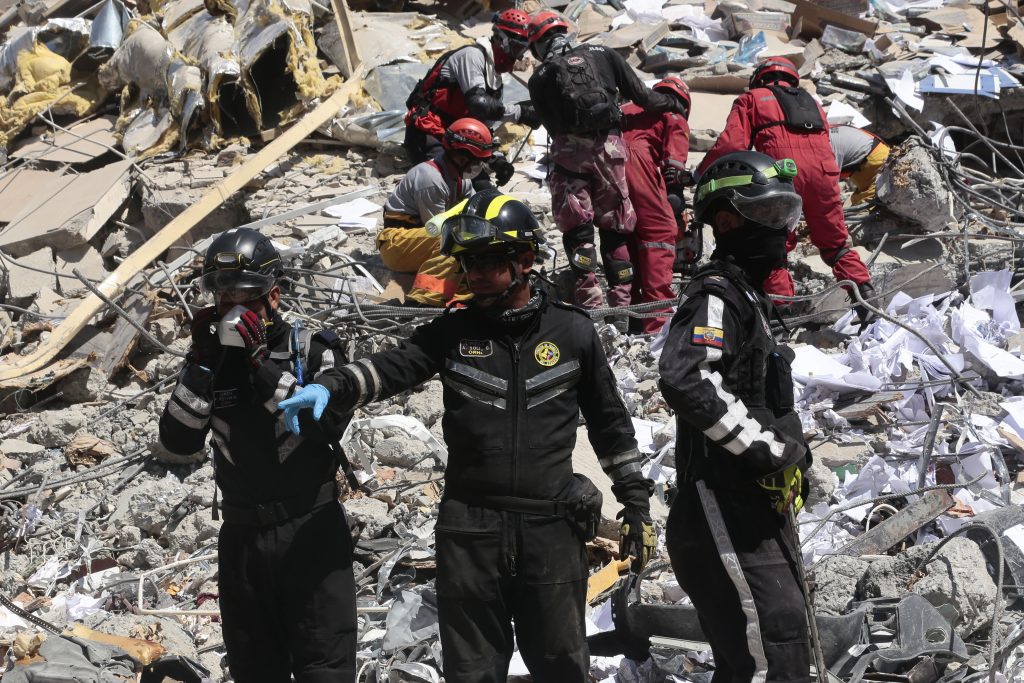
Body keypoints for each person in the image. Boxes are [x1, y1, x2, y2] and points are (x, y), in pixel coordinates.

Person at [278, 191, 656, 683]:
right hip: (470, 533)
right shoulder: (452, 334)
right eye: (467, 264)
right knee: (472, 671)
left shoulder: (573, 334)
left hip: (551, 529)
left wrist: (636, 504)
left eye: (487, 262)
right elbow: (393, 366)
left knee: (562, 665)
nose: (474, 274)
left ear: (525, 260)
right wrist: (334, 384)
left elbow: (610, 426)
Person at [158, 228, 357, 682]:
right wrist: (202, 366)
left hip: (310, 530)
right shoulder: (210, 363)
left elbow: (322, 427)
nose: (233, 306)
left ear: (274, 295)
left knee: (325, 667)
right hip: (243, 539)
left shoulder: (313, 352)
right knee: (254, 669)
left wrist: (261, 365)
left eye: (245, 294)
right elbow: (177, 444)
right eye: (223, 295)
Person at [658, 151, 813, 683]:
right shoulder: (715, 296)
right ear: (726, 221)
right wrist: (765, 451)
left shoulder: (749, 297)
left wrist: (791, 453)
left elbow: (762, 397)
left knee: (788, 632)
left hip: (753, 502)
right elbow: (687, 379)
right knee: (768, 646)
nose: (780, 232)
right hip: (719, 503)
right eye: (767, 216)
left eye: (784, 217)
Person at [526, 11, 688, 309]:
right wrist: (672, 103)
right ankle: (622, 308)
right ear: (566, 31)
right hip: (611, 151)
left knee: (579, 233)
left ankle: (590, 306)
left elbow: (551, 127)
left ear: (536, 44)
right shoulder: (603, 53)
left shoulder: (538, 78)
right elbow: (643, 96)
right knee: (616, 229)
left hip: (569, 156)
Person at [696, 56, 875, 321]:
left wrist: (700, 173)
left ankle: (783, 315)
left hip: (783, 174)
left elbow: (732, 144)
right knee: (835, 244)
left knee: (775, 244)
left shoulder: (752, 98)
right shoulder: (813, 103)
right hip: (825, 174)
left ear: (759, 78)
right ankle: (866, 297)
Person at [403, 9, 538, 187]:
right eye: (515, 48)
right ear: (499, 39)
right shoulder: (472, 56)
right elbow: (479, 104)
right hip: (429, 133)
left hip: (457, 139)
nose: (518, 56)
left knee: (483, 188)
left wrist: (495, 160)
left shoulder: (494, 77)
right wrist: (520, 112)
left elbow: (482, 126)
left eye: (523, 50)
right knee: (454, 186)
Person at [380, 118, 493, 306]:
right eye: (476, 161)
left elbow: (475, 210)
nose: (477, 167)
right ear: (461, 157)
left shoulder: (460, 178)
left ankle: (458, 297)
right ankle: (422, 301)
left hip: (420, 239)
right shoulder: (431, 179)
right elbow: (436, 228)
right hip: (395, 243)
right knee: (453, 239)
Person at [619, 75, 692, 333]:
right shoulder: (673, 115)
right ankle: (657, 325)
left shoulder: (626, 109)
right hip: (636, 164)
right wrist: (677, 199)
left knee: (627, 239)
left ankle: (631, 317)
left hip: (605, 168)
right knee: (659, 233)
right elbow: (673, 170)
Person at [829, 124, 890, 205]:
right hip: (867, 163)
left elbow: (826, 183)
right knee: (857, 204)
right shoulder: (824, 132)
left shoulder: (822, 143)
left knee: (867, 208)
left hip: (874, 163)